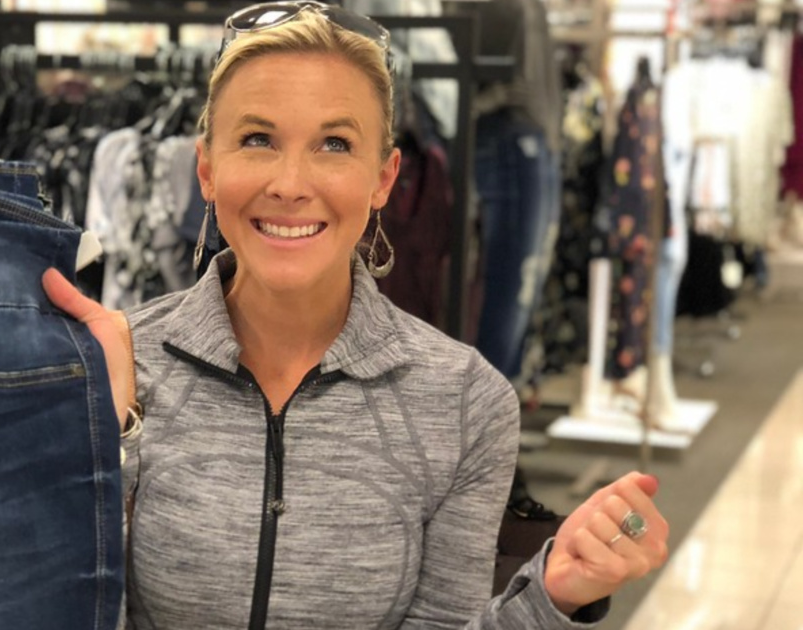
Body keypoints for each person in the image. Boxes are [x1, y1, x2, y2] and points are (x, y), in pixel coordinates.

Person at [43, 2, 669, 627]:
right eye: (258, 139)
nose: (291, 183)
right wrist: (116, 436)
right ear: (206, 167)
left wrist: (551, 596)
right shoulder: (116, 360)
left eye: (334, 144)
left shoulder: (464, 401)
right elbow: (63, 608)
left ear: (383, 178)